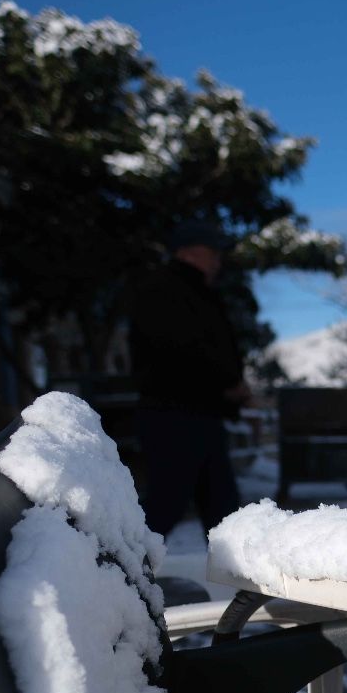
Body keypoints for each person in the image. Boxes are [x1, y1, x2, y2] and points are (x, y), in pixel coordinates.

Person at [126, 219, 250, 537]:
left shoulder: (190, 291)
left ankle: (236, 582)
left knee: (222, 510)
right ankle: (115, 578)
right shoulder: (168, 291)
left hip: (197, 412)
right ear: (193, 253)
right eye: (214, 254)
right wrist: (228, 383)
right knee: (167, 504)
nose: (218, 262)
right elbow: (184, 350)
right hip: (175, 415)